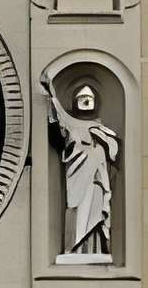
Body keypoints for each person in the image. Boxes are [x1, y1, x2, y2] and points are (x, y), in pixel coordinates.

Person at [44, 73, 119, 259]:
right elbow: (59, 119)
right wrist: (51, 94)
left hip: (96, 182)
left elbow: (115, 151)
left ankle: (97, 249)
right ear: (75, 101)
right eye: (82, 98)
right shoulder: (72, 126)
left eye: (89, 99)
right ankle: (76, 249)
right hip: (78, 180)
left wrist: (102, 139)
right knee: (78, 214)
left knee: (96, 213)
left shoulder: (101, 128)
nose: (86, 102)